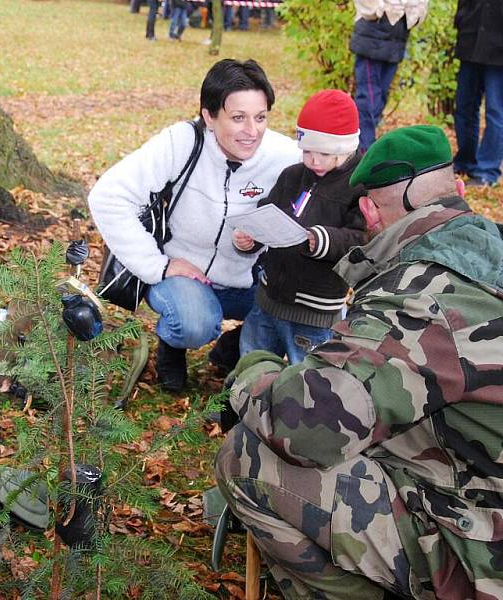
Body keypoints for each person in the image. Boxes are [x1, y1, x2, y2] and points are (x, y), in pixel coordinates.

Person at [215, 124, 503, 599]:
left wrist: (253, 372)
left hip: (481, 553)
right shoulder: (485, 251)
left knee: (246, 457)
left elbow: (304, 427)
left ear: (368, 208)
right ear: (456, 191)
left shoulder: (421, 296)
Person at [88, 59, 300, 392]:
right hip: (186, 277)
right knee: (194, 322)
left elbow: (332, 189)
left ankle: (240, 341)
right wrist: (160, 264)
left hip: (251, 282)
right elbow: (107, 197)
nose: (252, 131)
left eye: (260, 118)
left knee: (303, 306)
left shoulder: (286, 156)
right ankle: (173, 344)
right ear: (209, 116)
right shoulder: (182, 143)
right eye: (238, 118)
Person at [234, 90, 366, 365]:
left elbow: (362, 239)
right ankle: (239, 406)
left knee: (306, 375)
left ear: (347, 148)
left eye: (325, 153)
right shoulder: (292, 176)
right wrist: (252, 237)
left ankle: (291, 409)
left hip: (315, 312)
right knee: (252, 359)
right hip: (269, 299)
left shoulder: (360, 188)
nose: (313, 161)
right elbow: (269, 213)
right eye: (307, 151)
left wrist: (321, 239)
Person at [350, 0, 429, 151]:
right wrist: (379, 9)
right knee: (368, 95)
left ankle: (364, 143)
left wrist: (414, 13)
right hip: (371, 30)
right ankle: (364, 147)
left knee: (381, 95)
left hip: (398, 35)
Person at [452, 0, 502, 187]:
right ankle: (465, 161)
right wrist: (462, 20)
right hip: (470, 41)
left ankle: (486, 171)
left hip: (499, 51)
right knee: (464, 107)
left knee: (496, 112)